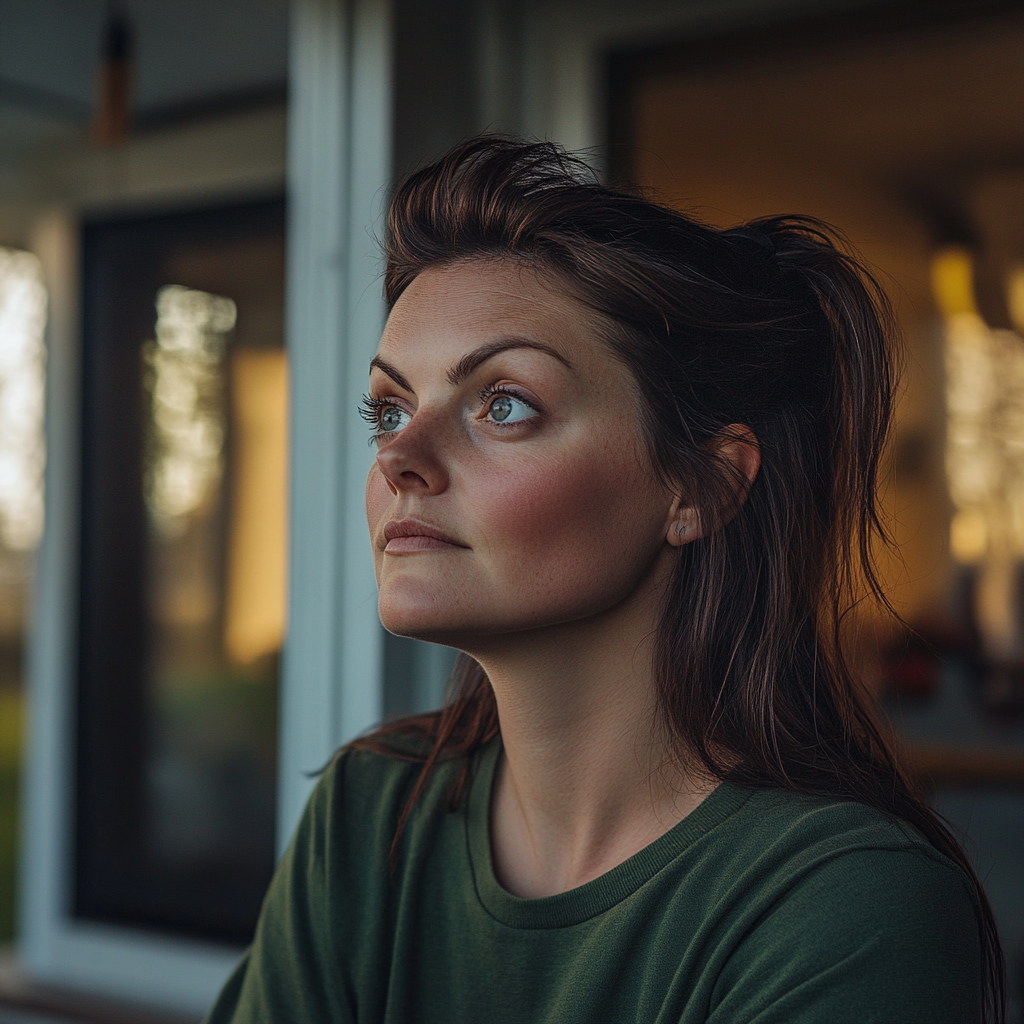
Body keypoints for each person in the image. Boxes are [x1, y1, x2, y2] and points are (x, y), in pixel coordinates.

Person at [206, 137, 1004, 1024]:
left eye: (503, 404)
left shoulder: (845, 906)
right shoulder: (368, 820)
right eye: (389, 408)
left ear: (701, 485)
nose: (400, 456)